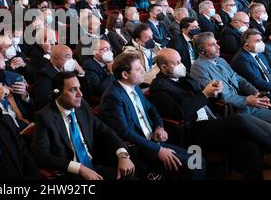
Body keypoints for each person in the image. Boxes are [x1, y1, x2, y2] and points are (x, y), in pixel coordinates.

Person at [149, 48, 271, 180]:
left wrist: (214, 91)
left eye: (180, 61)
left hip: (211, 119)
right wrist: (205, 94)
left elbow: (203, 95)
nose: (181, 65)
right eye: (176, 62)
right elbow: (180, 113)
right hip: (194, 129)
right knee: (240, 119)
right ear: (164, 67)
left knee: (248, 141)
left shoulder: (183, 76)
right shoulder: (159, 87)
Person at [100, 52, 205, 180]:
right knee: (195, 165)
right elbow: (124, 132)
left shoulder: (134, 86)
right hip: (141, 149)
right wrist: (157, 150)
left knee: (198, 160)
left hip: (154, 140)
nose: (144, 71)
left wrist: (159, 126)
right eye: (138, 69)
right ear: (125, 74)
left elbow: (151, 108)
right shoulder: (113, 97)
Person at [31, 72, 135, 180]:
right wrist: (79, 168)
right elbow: (40, 155)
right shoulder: (44, 117)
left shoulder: (82, 106)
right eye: (73, 89)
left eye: (79, 88)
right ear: (58, 93)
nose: (80, 94)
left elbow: (105, 131)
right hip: (71, 175)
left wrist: (122, 154)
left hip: (95, 166)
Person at [191, 32, 271, 124]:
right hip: (233, 111)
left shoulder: (220, 60)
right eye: (212, 45)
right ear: (202, 50)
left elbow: (239, 79)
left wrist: (255, 92)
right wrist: (246, 101)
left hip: (247, 105)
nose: (218, 47)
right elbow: (216, 96)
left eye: (217, 43)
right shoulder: (198, 67)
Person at [0, 49, 33, 130]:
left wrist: (25, 95)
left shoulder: (13, 77)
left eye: (3, 67)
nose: (2, 72)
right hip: (4, 128)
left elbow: (31, 106)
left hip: (23, 121)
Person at [34, 44, 86, 111]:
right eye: (67, 57)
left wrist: (80, 71)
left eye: (72, 57)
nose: (71, 61)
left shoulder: (70, 71)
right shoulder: (45, 76)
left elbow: (86, 92)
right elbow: (42, 103)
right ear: (55, 59)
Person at [230, 29, 271, 94]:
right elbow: (256, 81)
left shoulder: (259, 52)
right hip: (259, 92)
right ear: (246, 45)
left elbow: (269, 71)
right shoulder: (241, 58)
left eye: (261, 40)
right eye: (257, 41)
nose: (261, 43)